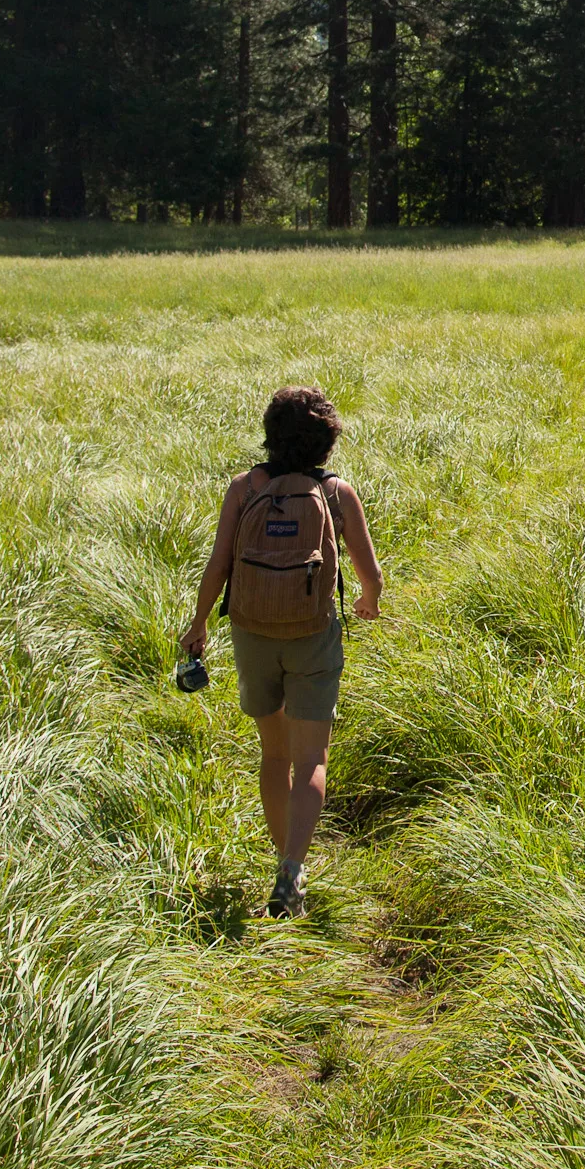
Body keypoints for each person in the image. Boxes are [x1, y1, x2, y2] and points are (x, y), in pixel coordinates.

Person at [181, 386, 381, 917]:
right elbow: (370, 572)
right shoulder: (337, 493)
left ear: (270, 435)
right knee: (311, 755)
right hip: (312, 634)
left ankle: (281, 858)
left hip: (250, 634)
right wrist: (369, 600)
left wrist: (199, 622)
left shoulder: (244, 488)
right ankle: (294, 866)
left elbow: (218, 564)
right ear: (326, 443)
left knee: (274, 753)